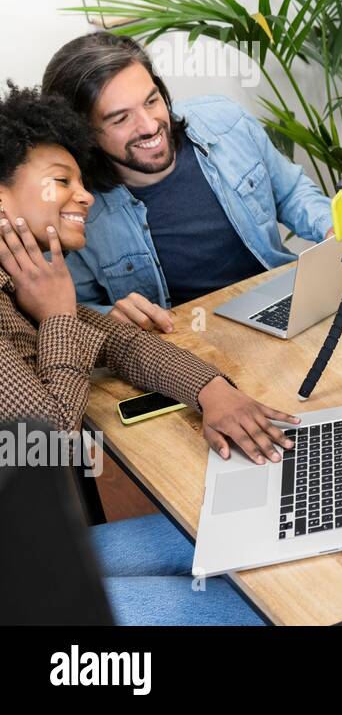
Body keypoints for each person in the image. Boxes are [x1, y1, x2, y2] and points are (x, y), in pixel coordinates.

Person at [0, 84, 298, 623]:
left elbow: (123, 342)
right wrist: (61, 314)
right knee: (261, 607)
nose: (86, 195)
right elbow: (40, 452)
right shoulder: (35, 301)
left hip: (26, 547)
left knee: (242, 539)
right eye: (61, 182)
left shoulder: (22, 286)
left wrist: (214, 392)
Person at [42, 31, 333, 332]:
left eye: (152, 101)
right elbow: (74, 304)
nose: (150, 125)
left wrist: (329, 225)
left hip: (281, 299)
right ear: (83, 133)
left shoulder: (226, 121)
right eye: (120, 119)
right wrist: (108, 316)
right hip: (191, 342)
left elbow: (290, 192)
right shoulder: (76, 210)